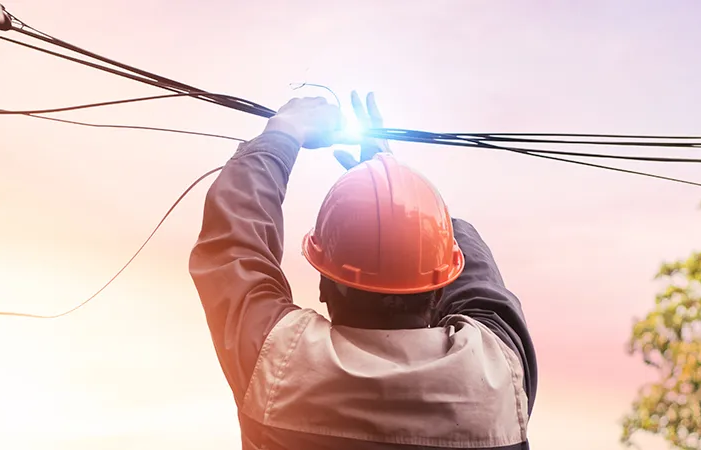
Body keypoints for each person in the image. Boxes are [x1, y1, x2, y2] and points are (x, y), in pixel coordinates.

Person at [188, 93, 538, 450]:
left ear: (324, 285)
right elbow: (480, 283)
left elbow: (234, 247)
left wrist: (282, 133)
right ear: (439, 290)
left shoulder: (279, 364)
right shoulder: (500, 376)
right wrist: (399, 186)